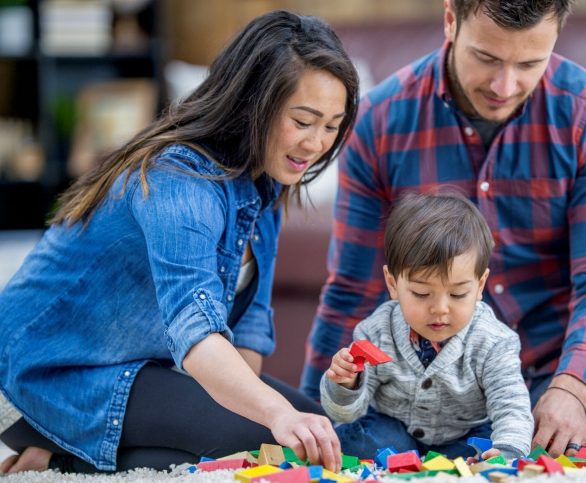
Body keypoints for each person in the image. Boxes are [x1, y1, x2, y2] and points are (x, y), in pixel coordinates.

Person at [301, 0, 586, 458]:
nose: (505, 86)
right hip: (483, 397)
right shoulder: (380, 121)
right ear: (450, 20)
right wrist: (310, 415)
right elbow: (352, 290)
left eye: (529, 63)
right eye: (486, 57)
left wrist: (572, 386)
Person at [0, 10, 358, 474]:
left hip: (135, 365)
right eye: (303, 121)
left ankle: (68, 445)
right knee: (266, 436)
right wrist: (270, 419)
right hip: (51, 368)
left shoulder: (265, 184)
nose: (317, 144)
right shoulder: (178, 180)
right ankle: (57, 455)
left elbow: (247, 330)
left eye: (331, 126)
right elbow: (197, 331)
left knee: (325, 436)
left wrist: (260, 417)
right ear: (252, 104)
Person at [321, 192, 533, 460]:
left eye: (457, 294)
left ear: (479, 285)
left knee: (485, 444)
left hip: (464, 437)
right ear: (393, 284)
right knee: (359, 438)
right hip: (395, 433)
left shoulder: (493, 341)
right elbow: (345, 413)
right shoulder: (376, 332)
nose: (440, 308)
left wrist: (507, 451)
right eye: (421, 293)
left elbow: (511, 405)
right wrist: (347, 385)